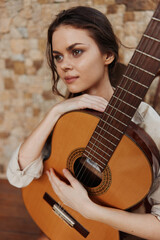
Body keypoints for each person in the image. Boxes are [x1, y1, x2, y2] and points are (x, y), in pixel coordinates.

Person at [7, 6, 160, 240]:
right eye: (58, 56)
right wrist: (55, 111)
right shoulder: (68, 114)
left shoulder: (148, 124)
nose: (64, 65)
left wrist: (90, 210)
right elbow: (19, 176)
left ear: (107, 55)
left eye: (76, 52)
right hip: (61, 219)